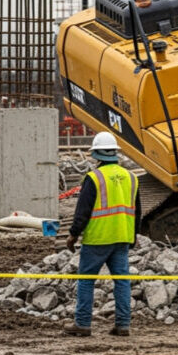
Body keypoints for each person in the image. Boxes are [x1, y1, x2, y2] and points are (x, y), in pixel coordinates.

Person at [64, 132, 140, 337]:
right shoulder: (131, 177)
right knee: (122, 281)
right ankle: (123, 324)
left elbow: (83, 210)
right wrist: (133, 235)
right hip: (122, 237)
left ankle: (82, 323)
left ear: (96, 154)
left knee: (86, 280)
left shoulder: (94, 178)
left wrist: (73, 235)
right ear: (115, 152)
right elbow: (137, 210)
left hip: (98, 238)